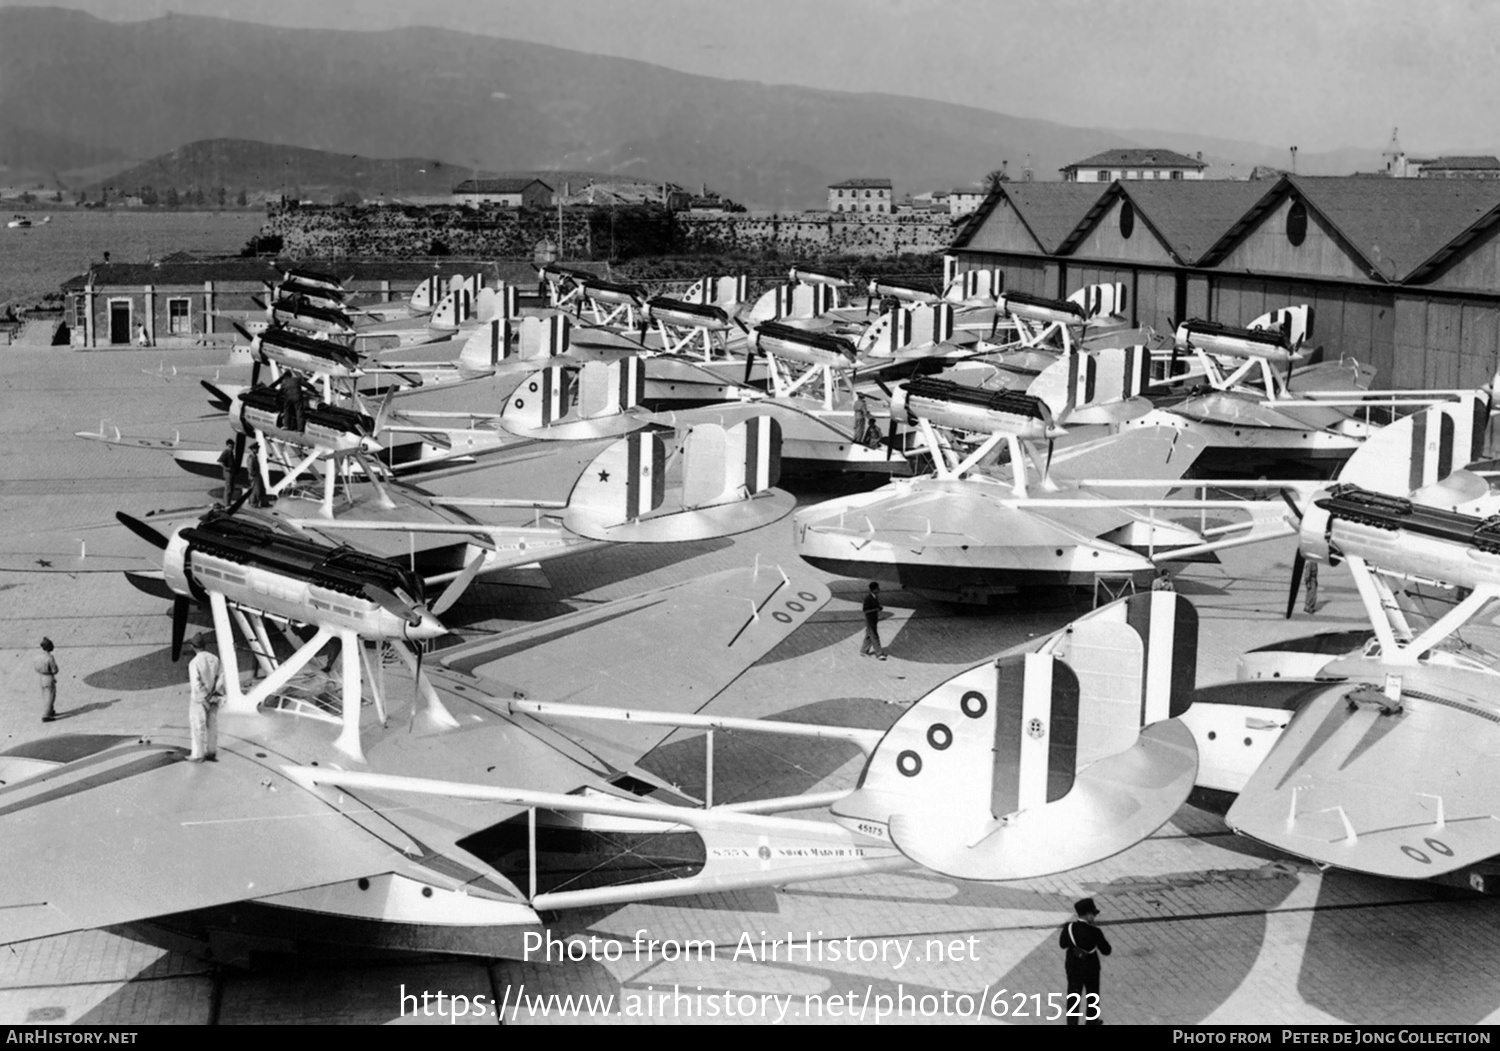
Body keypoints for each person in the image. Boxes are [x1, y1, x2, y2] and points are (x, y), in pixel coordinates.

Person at [1060, 897, 1111, 1025]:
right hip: (1091, 968)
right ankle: (1092, 1022)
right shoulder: (1095, 931)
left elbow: (1062, 944)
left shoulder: (1069, 927)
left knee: (1073, 997)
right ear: (1088, 914)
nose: (1094, 917)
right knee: (1092, 997)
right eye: (1094, 914)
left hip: (1073, 967)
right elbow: (1106, 950)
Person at [185, 633, 225, 762]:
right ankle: (212, 751)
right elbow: (221, 677)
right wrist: (214, 694)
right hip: (214, 697)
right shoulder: (215, 658)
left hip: (199, 700)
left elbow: (196, 684)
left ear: (192, 646)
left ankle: (197, 754)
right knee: (212, 725)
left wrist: (205, 697)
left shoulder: (194, 663)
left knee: (198, 726)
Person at [861, 581, 887, 660]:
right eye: (877, 588)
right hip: (869, 620)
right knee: (874, 636)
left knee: (869, 635)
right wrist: (876, 609)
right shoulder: (868, 598)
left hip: (874, 619)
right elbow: (865, 610)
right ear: (873, 589)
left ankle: (863, 651)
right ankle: (879, 654)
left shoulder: (875, 597)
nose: (879, 589)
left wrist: (878, 608)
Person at [35, 637, 58, 723]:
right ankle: (47, 714)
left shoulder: (38, 656)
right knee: (50, 696)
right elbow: (54, 670)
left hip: (41, 677)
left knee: (45, 695)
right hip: (49, 677)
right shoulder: (50, 657)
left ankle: (50, 710)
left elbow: (36, 667)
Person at [218, 439, 238, 506]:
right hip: (228, 472)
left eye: (233, 446)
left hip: (231, 472)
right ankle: (226, 504)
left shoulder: (231, 453)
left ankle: (228, 502)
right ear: (228, 445)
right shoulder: (226, 452)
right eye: (231, 446)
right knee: (228, 488)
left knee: (231, 488)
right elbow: (220, 462)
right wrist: (226, 468)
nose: (232, 447)